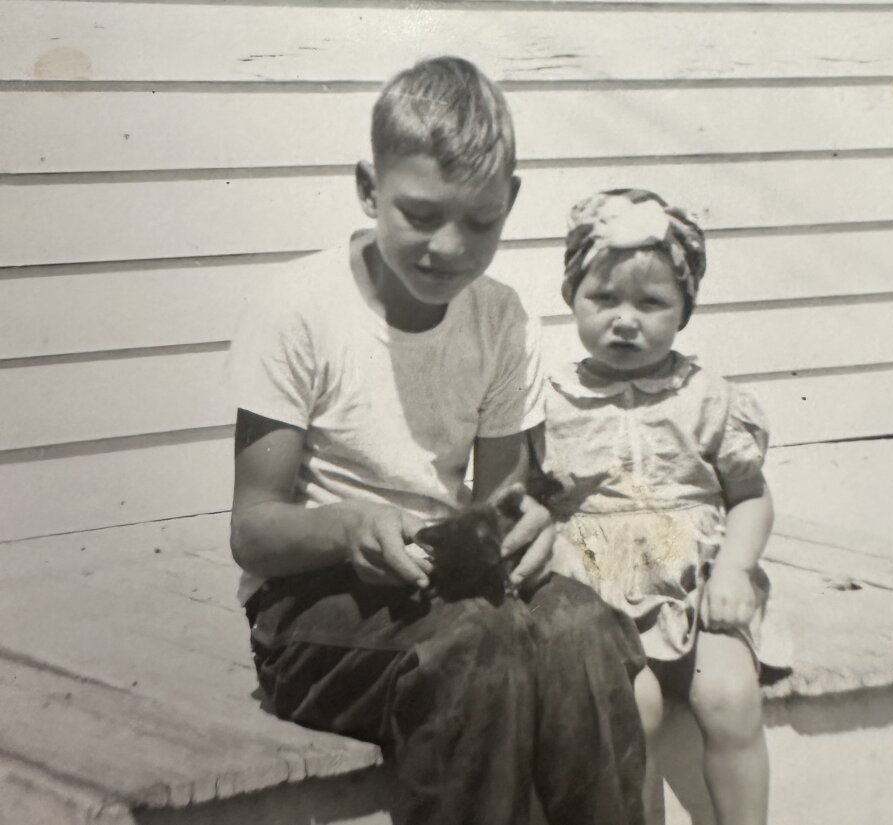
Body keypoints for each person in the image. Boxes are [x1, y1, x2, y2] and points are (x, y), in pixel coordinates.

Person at [229, 57, 647, 825]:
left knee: (583, 630)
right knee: (478, 647)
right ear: (368, 187)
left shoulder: (501, 318)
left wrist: (528, 521)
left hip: (451, 583)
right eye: (420, 216)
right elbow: (254, 531)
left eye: (480, 222)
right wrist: (351, 524)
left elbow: (500, 503)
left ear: (510, 202)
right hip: (312, 605)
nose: (449, 247)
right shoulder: (298, 307)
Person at [540, 189, 778, 825]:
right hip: (597, 595)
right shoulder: (551, 402)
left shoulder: (707, 398)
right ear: (572, 297)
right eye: (604, 299)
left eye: (651, 303)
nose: (625, 320)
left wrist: (733, 569)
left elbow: (751, 497)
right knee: (630, 710)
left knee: (731, 699)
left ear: (684, 310)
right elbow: (531, 502)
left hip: (699, 588)